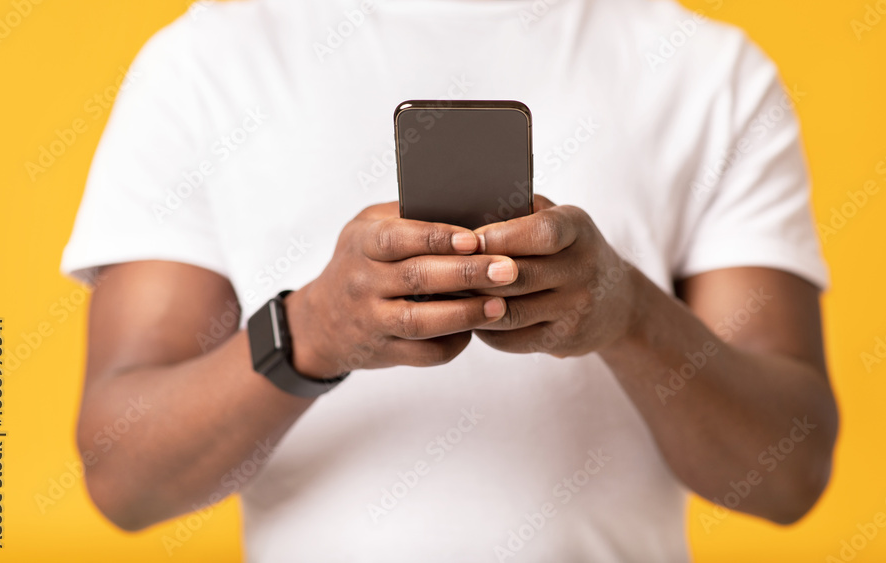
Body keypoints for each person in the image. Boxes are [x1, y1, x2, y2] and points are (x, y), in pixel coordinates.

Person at [61, 0, 839, 561]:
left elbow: (789, 475)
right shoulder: (202, 65)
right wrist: (316, 331)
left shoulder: (711, 73)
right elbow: (125, 477)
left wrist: (628, 313)